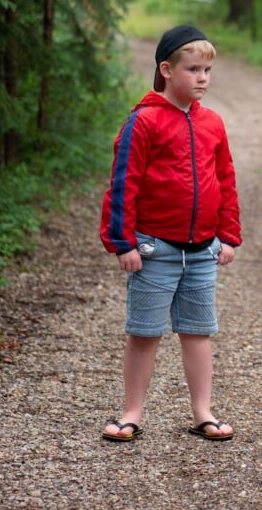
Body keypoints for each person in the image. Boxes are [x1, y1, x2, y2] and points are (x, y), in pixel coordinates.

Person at [99, 25, 241, 442]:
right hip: (154, 247)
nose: (202, 78)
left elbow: (225, 179)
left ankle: (203, 411)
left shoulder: (213, 123)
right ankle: (132, 412)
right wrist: (122, 242)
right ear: (166, 69)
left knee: (198, 331)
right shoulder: (143, 122)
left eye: (207, 70)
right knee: (144, 331)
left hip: (201, 250)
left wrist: (228, 234)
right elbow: (124, 183)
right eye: (193, 68)